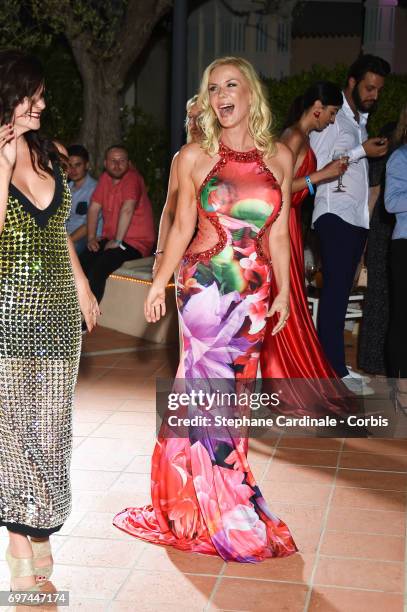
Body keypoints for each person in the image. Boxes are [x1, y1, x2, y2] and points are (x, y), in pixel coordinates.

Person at [113, 57, 297, 562]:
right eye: (213, 88)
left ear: (251, 93)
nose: (221, 95)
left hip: (254, 293)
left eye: (231, 85)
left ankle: (206, 496)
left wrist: (283, 290)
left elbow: (278, 230)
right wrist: (159, 282)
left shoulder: (279, 156)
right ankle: (222, 507)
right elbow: (178, 228)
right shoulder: (194, 156)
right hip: (205, 292)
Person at [0, 50, 99, 593]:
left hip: (58, 309)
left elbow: (57, 229)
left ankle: (42, 523)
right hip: (10, 309)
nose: (41, 104)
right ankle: (22, 539)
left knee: (52, 427)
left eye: (41, 96)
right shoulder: (2, 154)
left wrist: (83, 284)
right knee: (13, 429)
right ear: (10, 95)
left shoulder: (50, 151)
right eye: (32, 95)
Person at [310, 54, 390, 386]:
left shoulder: (360, 123)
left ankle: (336, 367)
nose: (374, 94)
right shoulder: (332, 117)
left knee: (341, 295)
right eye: (369, 87)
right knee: (334, 295)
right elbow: (320, 162)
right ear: (353, 83)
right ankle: (332, 372)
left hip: (354, 220)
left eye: (379, 89)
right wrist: (361, 152)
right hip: (333, 215)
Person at [261, 82, 345, 385]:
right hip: (283, 223)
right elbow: (279, 187)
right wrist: (324, 175)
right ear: (318, 108)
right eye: (332, 113)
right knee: (288, 297)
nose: (332, 120)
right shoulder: (293, 136)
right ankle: (285, 375)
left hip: (292, 222)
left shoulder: (300, 136)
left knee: (293, 297)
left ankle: (290, 372)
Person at [79, 145, 155, 304]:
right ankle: (72, 310)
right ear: (105, 163)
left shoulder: (132, 178)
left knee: (99, 268)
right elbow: (94, 208)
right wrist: (91, 238)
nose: (117, 164)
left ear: (128, 163)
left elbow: (127, 209)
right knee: (83, 261)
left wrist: (118, 241)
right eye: (113, 161)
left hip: (136, 243)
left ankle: (88, 318)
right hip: (112, 239)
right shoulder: (105, 179)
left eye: (122, 161)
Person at [357, 121, 397, 375]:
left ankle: (378, 361)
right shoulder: (385, 160)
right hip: (383, 232)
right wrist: (364, 243)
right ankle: (374, 361)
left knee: (383, 299)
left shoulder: (386, 159)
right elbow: (371, 199)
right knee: (380, 299)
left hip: (388, 231)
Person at [153, 95, 202, 278]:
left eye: (200, 117)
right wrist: (160, 253)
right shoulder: (181, 158)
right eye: (190, 117)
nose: (194, 123)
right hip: (183, 245)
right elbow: (169, 210)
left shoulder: (226, 157)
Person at [384, 108, 407, 412]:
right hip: (404, 246)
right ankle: (400, 388)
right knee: (403, 318)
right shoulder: (400, 157)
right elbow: (390, 202)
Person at [66, 144, 99, 254]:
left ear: (86, 165)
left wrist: (66, 242)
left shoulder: (95, 189)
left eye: (77, 165)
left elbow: (87, 225)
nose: (73, 170)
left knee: (70, 250)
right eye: (69, 165)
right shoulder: (66, 188)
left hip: (84, 238)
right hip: (64, 235)